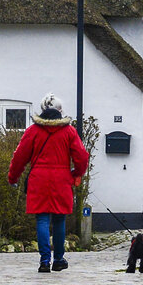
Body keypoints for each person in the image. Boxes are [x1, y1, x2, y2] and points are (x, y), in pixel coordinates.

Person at [7, 93, 90, 273]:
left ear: (43, 110)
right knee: (59, 220)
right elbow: (82, 157)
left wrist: (13, 177)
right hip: (61, 180)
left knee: (42, 219)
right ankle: (58, 259)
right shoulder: (69, 132)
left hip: (39, 180)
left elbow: (19, 157)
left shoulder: (33, 131)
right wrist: (76, 173)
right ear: (60, 111)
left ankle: (45, 261)